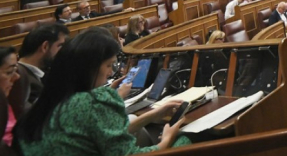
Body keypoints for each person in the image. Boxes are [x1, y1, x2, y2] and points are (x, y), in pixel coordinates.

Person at [15, 28, 189, 155]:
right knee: (185, 140)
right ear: (88, 68)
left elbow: (103, 133)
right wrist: (166, 140)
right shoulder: (93, 102)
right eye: (108, 65)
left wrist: (152, 116)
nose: (110, 73)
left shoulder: (50, 100)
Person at [18, 24, 70, 110]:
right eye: (60, 46)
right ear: (45, 46)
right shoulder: (21, 81)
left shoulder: (46, 70)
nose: (63, 51)